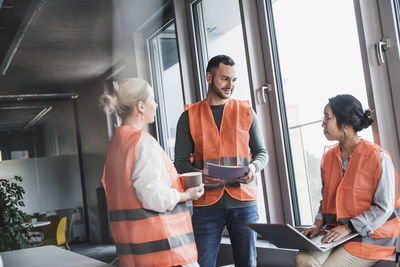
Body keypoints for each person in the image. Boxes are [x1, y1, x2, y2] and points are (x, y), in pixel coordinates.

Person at [174, 55, 268, 267]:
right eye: (225, 79)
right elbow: (179, 162)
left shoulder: (246, 111)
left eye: (234, 80)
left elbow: (262, 152)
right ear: (209, 77)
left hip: (244, 202)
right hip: (206, 203)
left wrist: (253, 167)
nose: (230, 85)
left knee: (247, 263)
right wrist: (200, 176)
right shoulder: (189, 116)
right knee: (201, 263)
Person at [99, 78, 204, 267]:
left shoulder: (118, 143)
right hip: (163, 252)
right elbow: (152, 197)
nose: (155, 104)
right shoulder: (142, 143)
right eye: (152, 99)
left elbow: (133, 188)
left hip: (134, 253)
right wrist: (185, 195)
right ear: (140, 106)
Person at [296, 94, 400, 267]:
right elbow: (327, 201)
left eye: (327, 118)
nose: (323, 123)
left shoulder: (378, 157)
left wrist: (348, 228)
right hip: (335, 232)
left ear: (344, 121)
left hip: (370, 236)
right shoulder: (329, 158)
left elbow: (384, 207)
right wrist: (317, 224)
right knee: (303, 261)